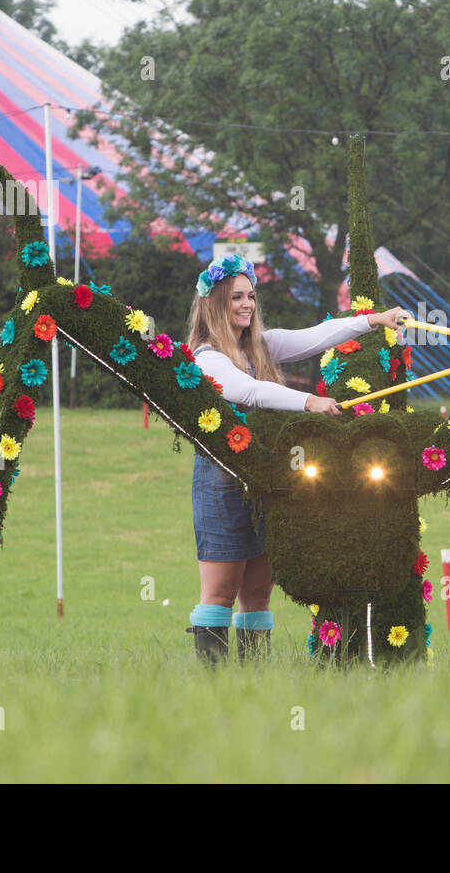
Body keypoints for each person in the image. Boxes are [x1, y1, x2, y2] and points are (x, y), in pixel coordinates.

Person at [183, 254, 411, 666]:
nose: (247, 304)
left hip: (264, 482)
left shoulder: (260, 345)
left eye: (251, 296)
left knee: (257, 594)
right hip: (221, 484)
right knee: (219, 593)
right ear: (215, 303)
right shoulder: (207, 358)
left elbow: (317, 336)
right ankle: (211, 689)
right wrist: (309, 402)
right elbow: (248, 392)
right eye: (236, 297)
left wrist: (374, 320)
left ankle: (254, 681)